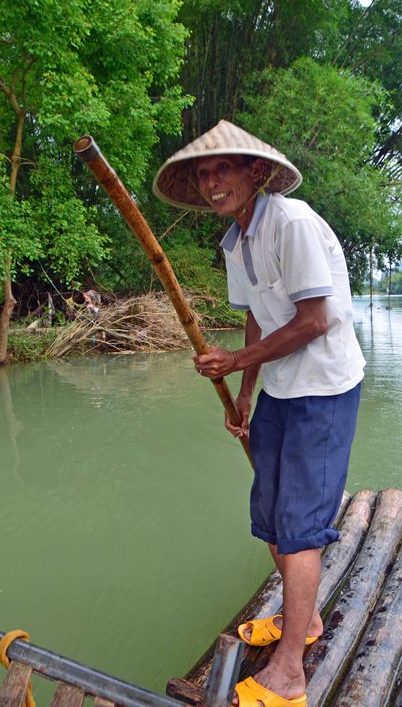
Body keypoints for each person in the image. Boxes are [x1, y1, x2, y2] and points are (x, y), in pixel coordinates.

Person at [153, 120, 365, 707]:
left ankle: (291, 671)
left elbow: (313, 320)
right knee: (270, 515)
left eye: (224, 169)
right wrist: (246, 391)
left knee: (299, 529)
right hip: (280, 388)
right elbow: (255, 315)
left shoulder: (291, 224)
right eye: (204, 173)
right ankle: (310, 620)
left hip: (323, 389)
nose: (212, 181)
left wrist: (240, 359)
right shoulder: (236, 242)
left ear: (257, 173)